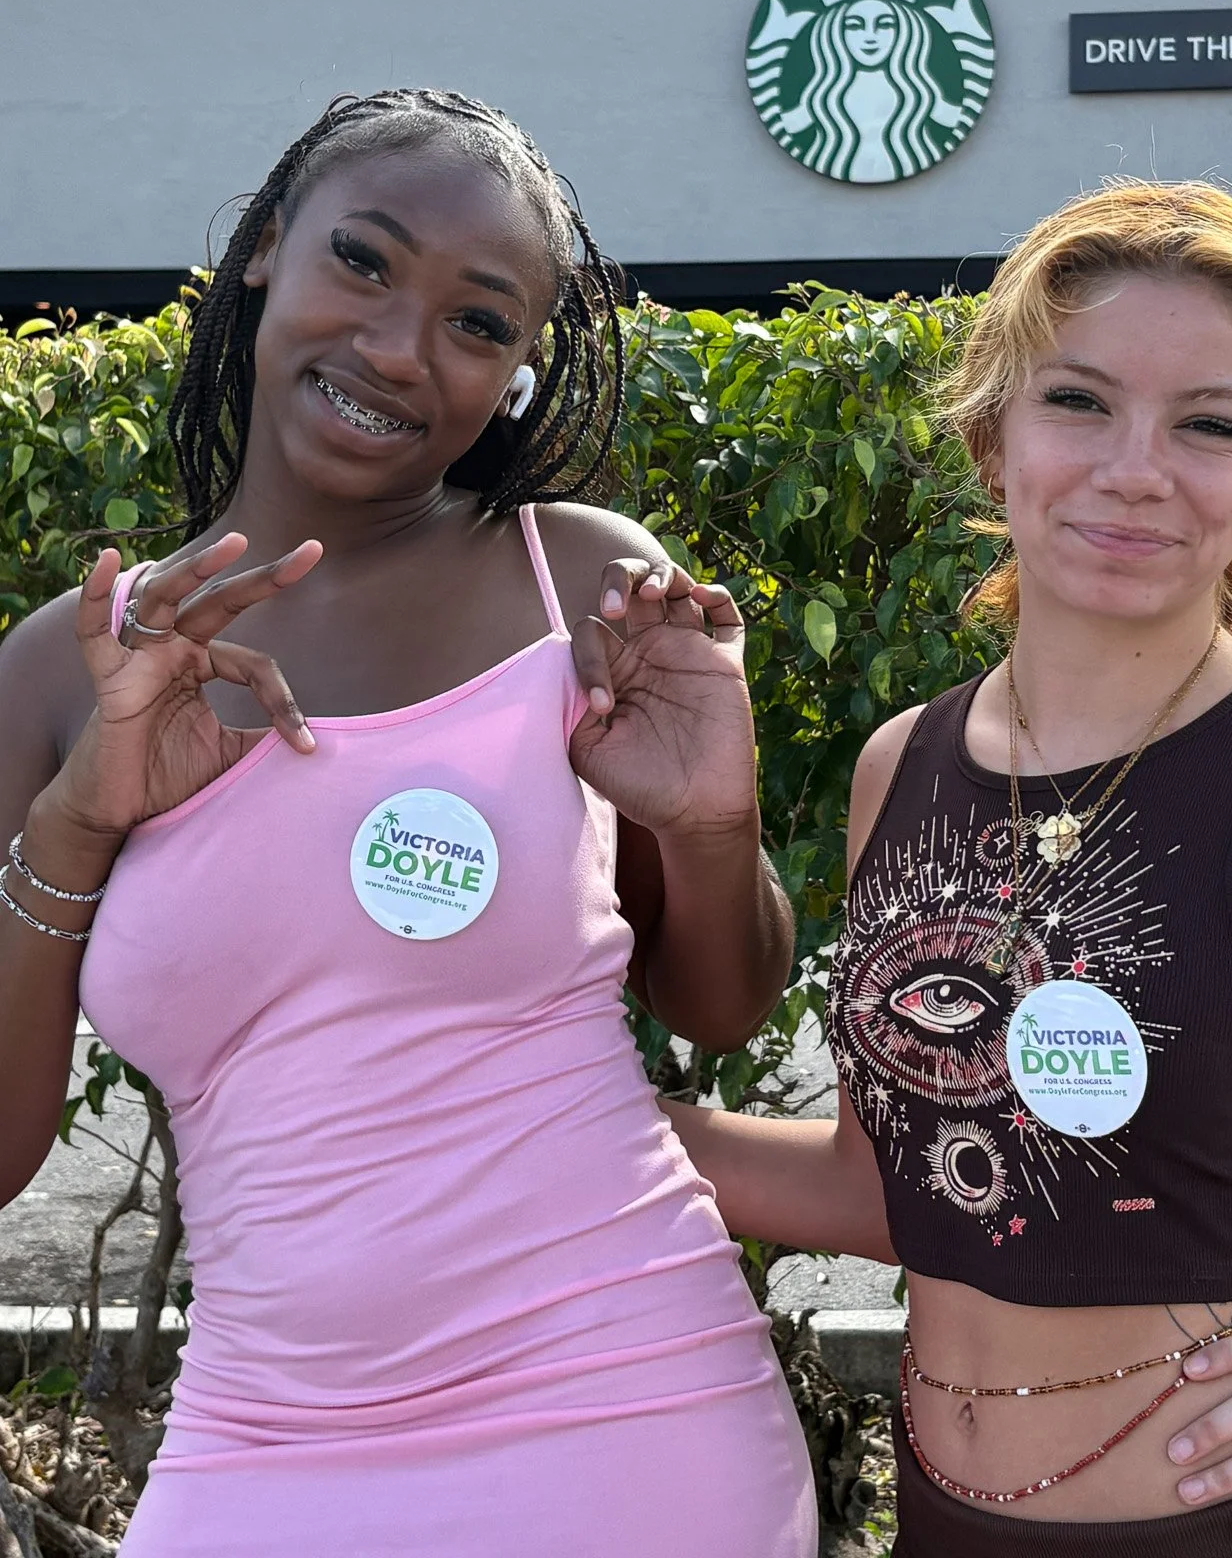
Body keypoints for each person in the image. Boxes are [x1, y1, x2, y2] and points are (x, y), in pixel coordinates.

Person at [0, 89, 816, 1558]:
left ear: (512, 370)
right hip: (258, 1437)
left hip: (623, 1409)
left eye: (477, 323)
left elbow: (718, 997)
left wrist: (709, 823)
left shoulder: (570, 582)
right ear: (263, 250)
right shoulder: (67, 668)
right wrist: (72, 827)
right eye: (363, 264)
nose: (396, 348)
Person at [668, 179, 1232, 1553]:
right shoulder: (908, 761)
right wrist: (593, 1125)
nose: (1136, 467)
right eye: (1078, 403)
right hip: (947, 1523)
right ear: (990, 441)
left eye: (1210, 424)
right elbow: (887, 1184)